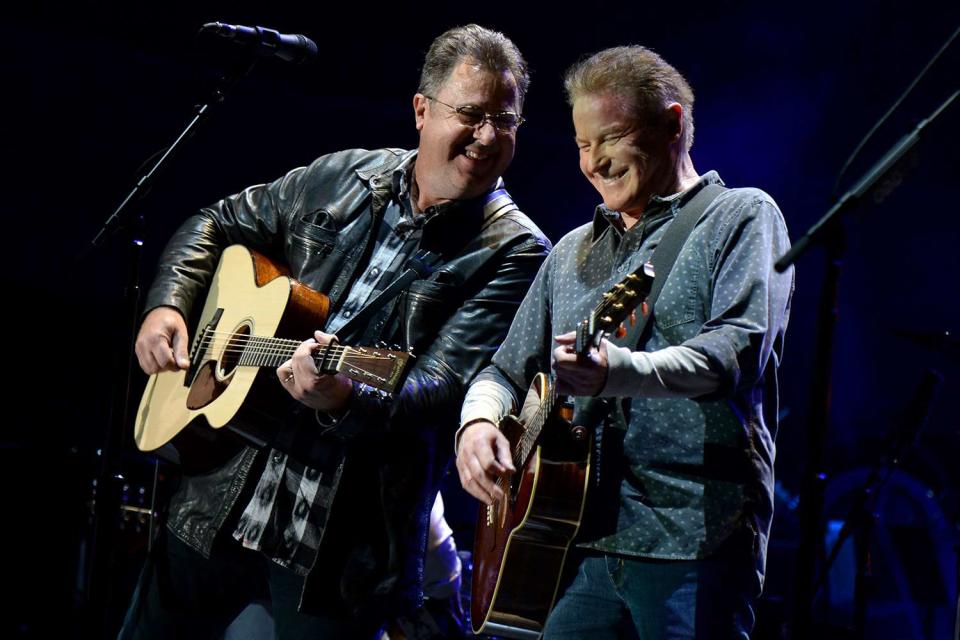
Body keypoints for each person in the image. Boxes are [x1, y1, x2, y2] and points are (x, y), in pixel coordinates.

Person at [124, 23, 550, 639]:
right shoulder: (343, 176)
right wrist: (167, 306)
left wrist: (345, 396)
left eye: (505, 120)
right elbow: (216, 221)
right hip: (218, 498)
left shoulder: (515, 251)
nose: (487, 136)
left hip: (342, 551)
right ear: (421, 110)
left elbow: (443, 382)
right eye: (471, 113)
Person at [456, 45, 794, 639]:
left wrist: (620, 370)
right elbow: (503, 371)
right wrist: (478, 424)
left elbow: (735, 352)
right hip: (578, 542)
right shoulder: (570, 253)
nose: (594, 162)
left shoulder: (741, 217)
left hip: (690, 537)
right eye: (582, 145)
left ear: (673, 124)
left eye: (610, 138)